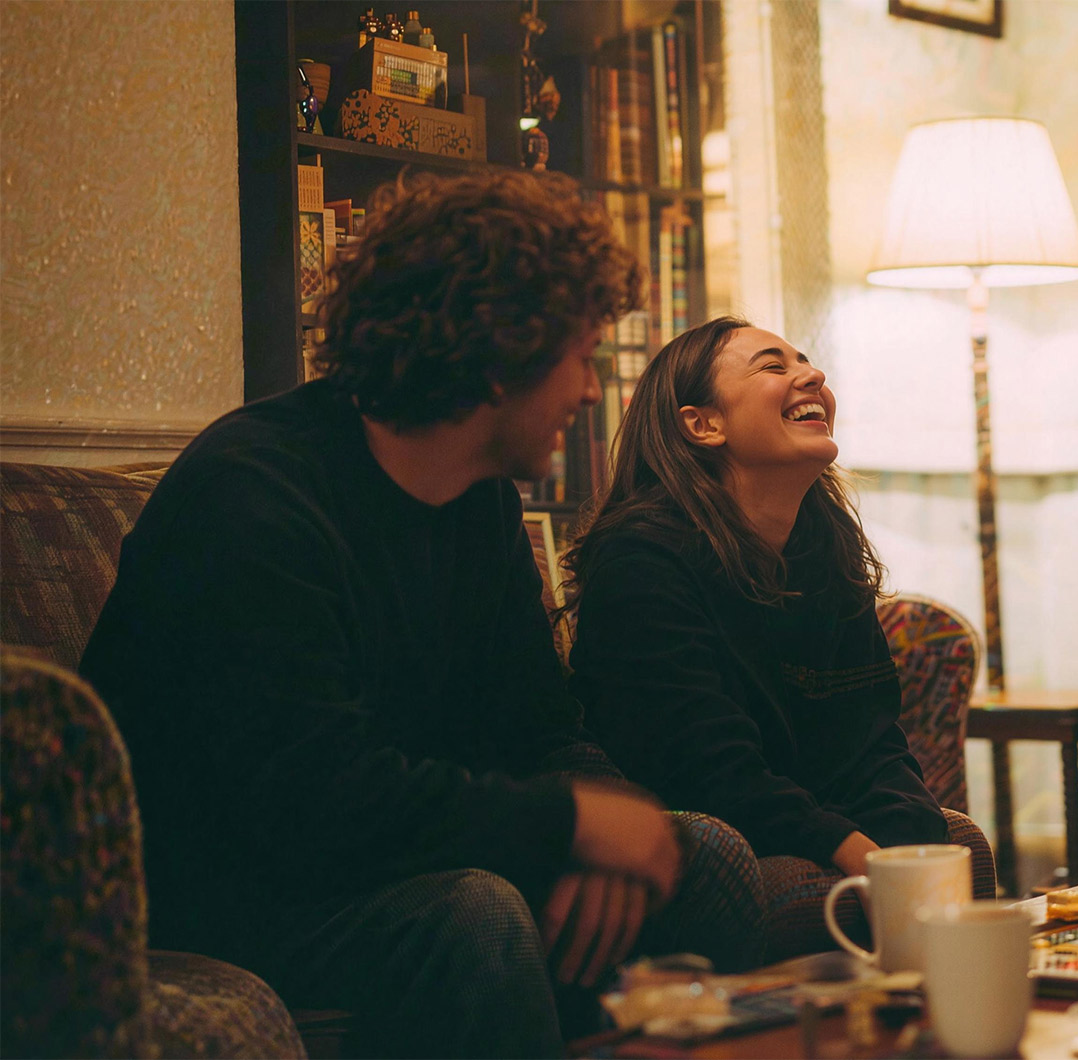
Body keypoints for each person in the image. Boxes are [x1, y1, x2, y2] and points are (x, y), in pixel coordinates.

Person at [80, 170, 758, 1058]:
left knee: (703, 857)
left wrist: (609, 814)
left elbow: (537, 727)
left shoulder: (478, 498)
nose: (592, 391)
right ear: (501, 353)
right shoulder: (253, 496)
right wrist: (569, 824)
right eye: (581, 354)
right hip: (223, 887)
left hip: (392, 851)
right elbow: (312, 796)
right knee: (476, 916)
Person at [564, 316, 951, 884]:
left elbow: (873, 745)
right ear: (703, 424)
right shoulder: (640, 562)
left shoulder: (827, 548)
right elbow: (703, 767)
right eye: (773, 366)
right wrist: (851, 850)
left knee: (948, 842)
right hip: (704, 834)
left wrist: (908, 846)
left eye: (806, 362)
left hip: (807, 817)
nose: (813, 376)